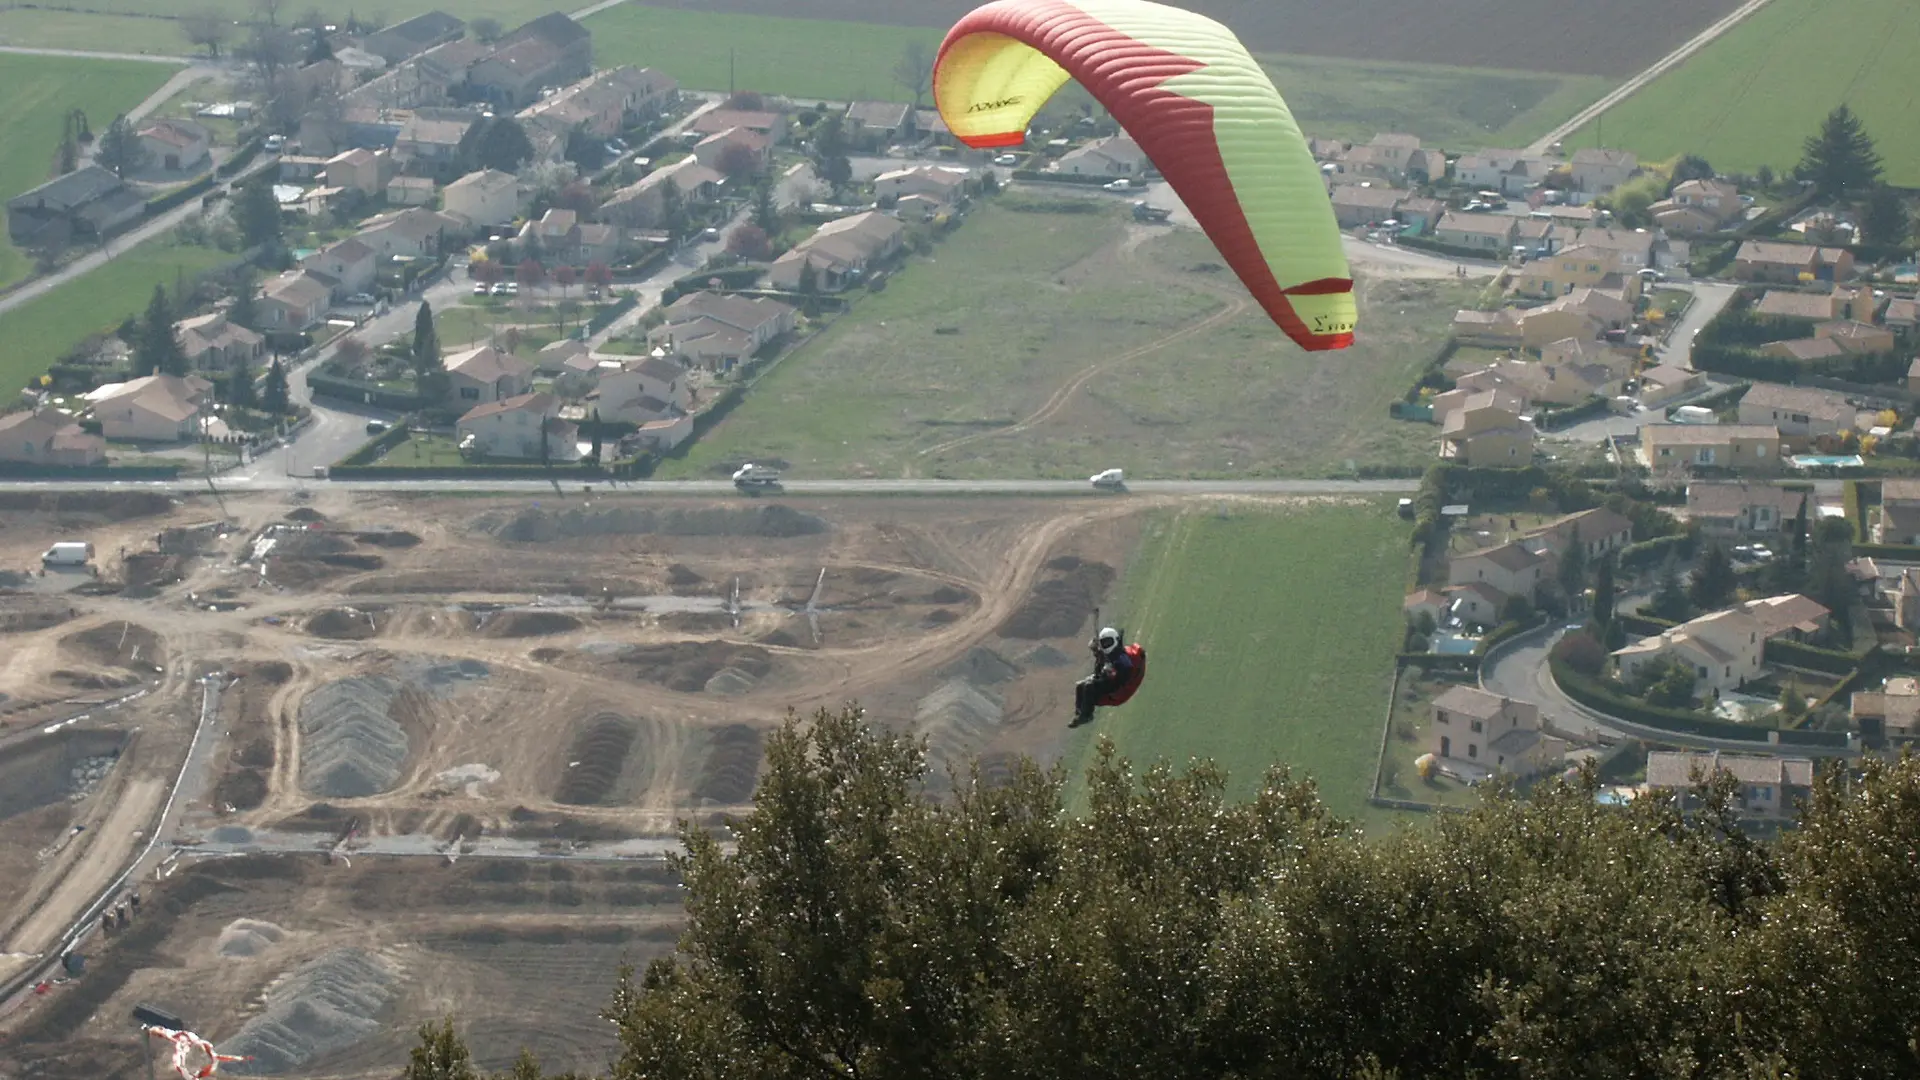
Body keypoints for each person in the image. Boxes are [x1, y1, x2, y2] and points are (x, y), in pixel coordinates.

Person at [1073, 627, 1134, 726]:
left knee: (1089, 685)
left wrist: (1112, 672)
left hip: (1116, 684)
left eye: (1108, 642)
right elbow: (1098, 672)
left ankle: (1087, 715)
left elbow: (1126, 668)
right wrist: (1098, 655)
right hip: (1108, 680)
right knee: (1080, 686)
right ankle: (1080, 713)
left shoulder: (1119, 655)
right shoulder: (1106, 656)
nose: (1106, 645)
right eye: (1104, 643)